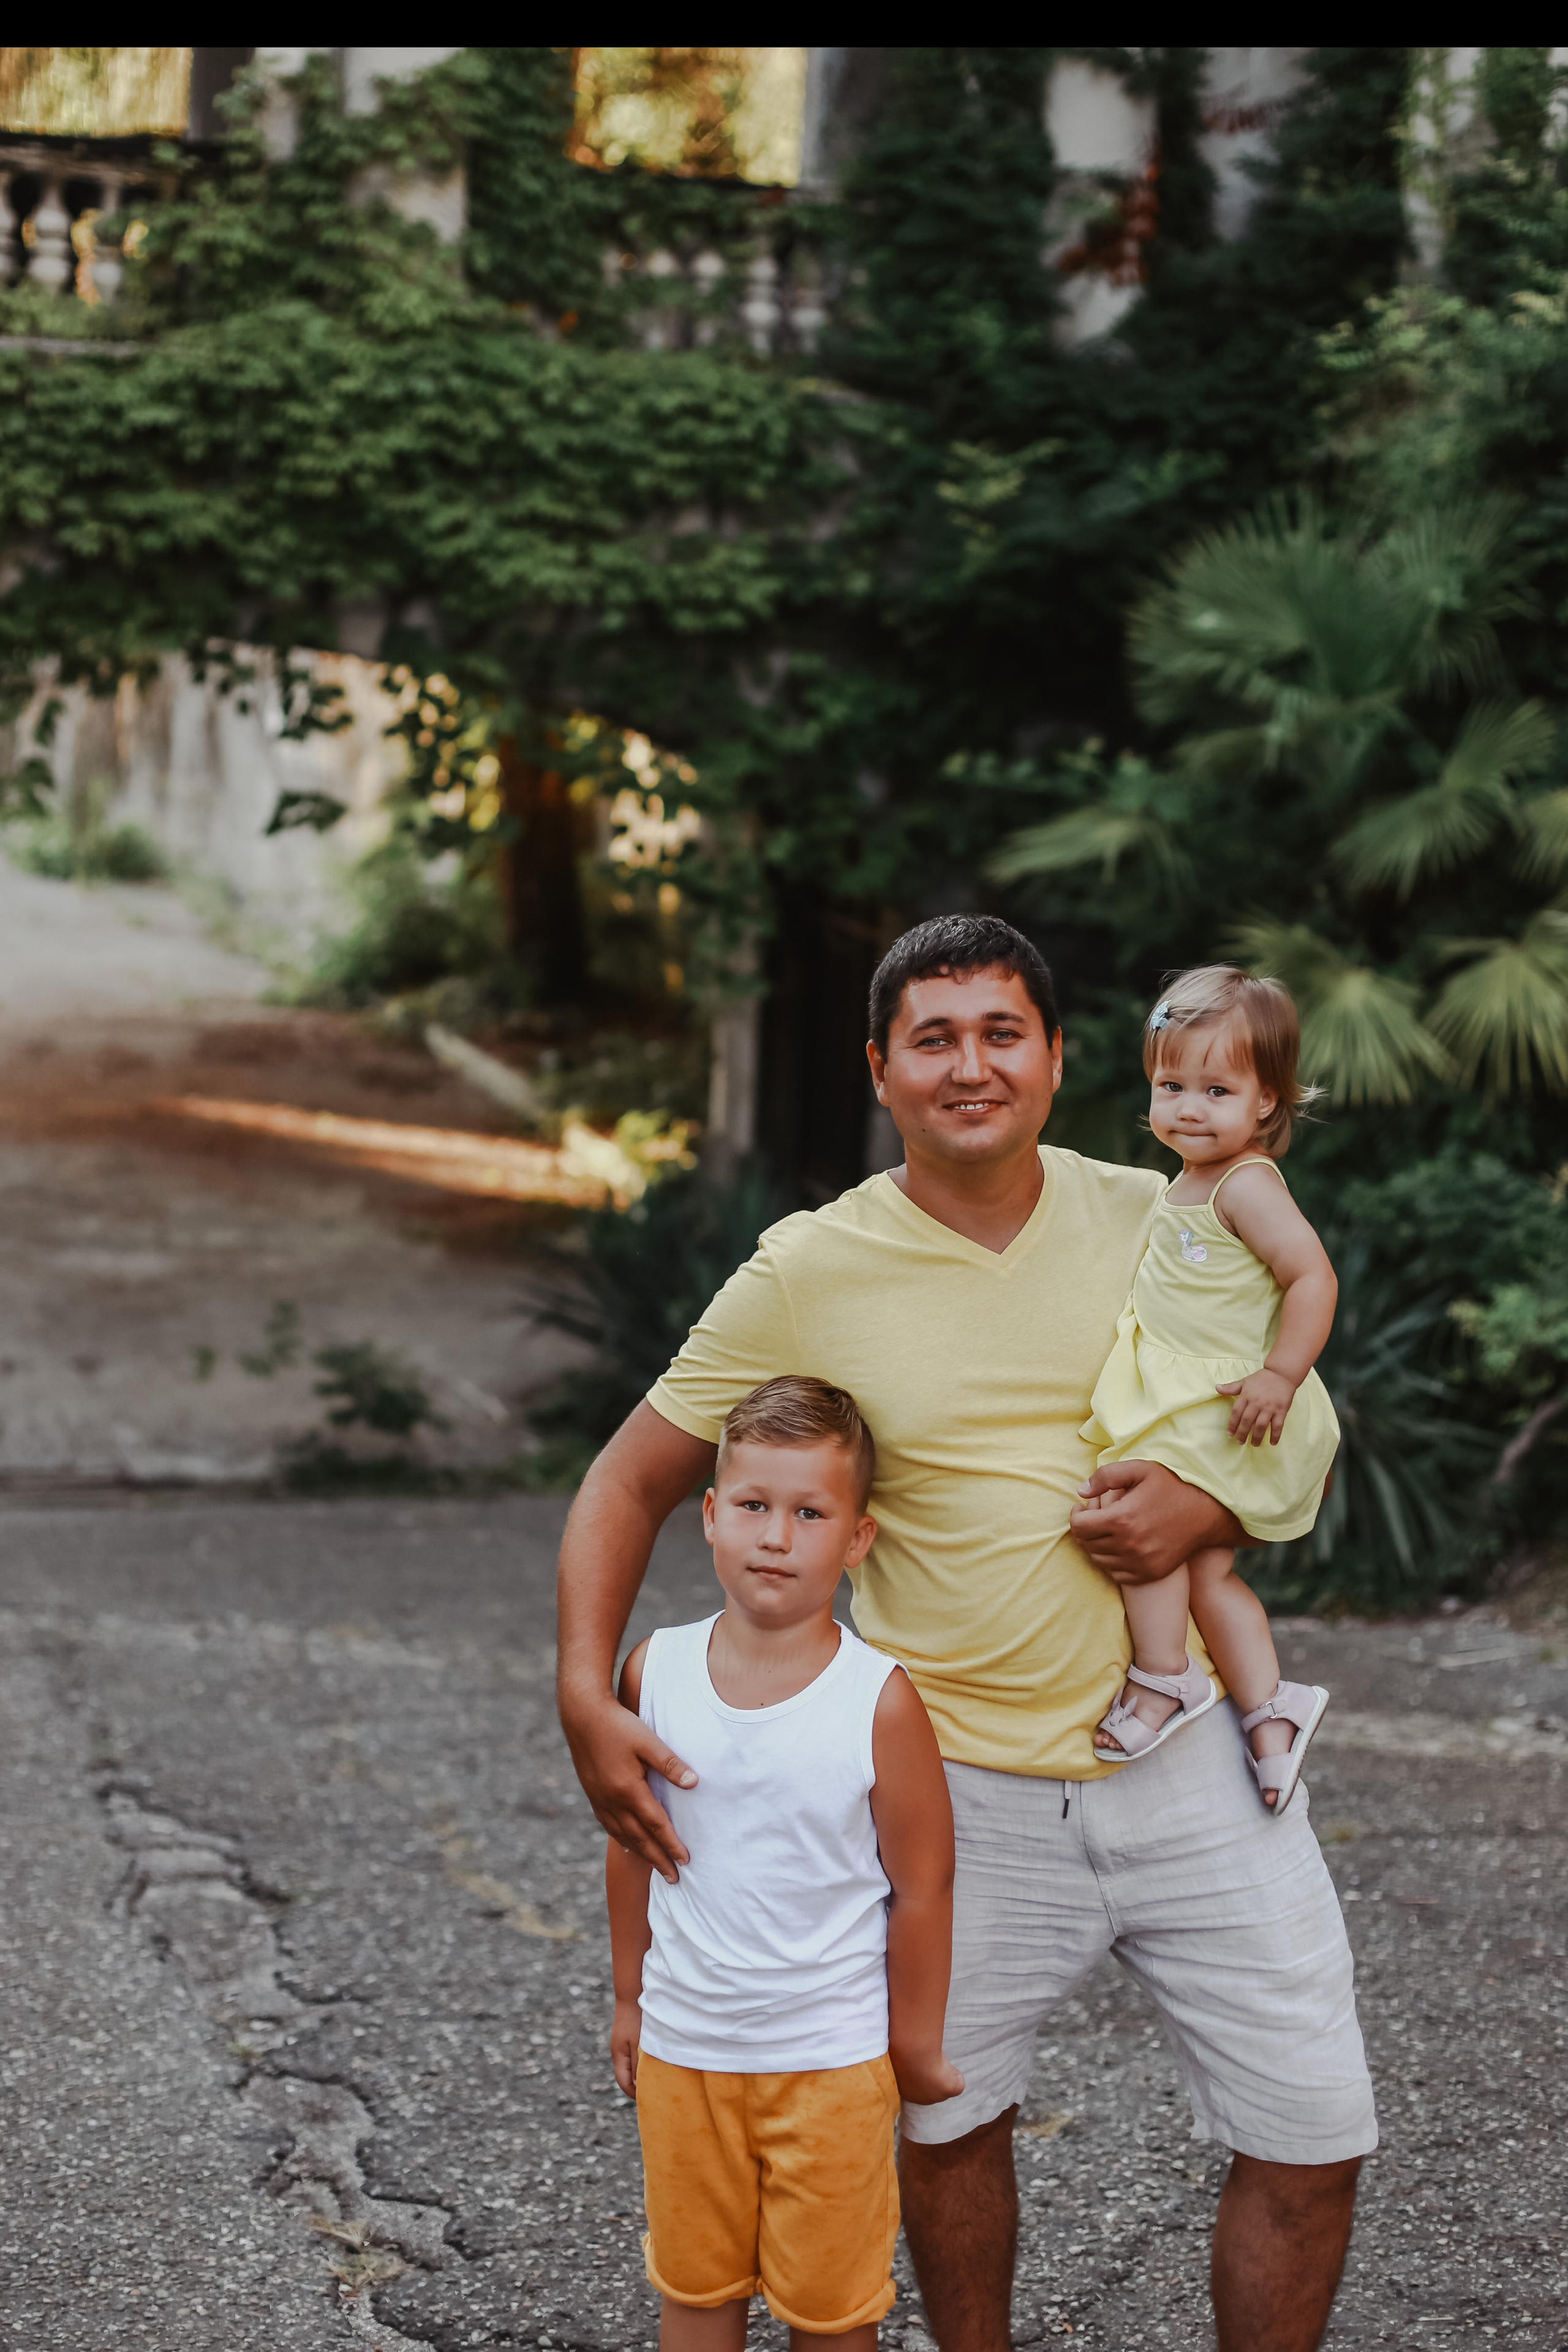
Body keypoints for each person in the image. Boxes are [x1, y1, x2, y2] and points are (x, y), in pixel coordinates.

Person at [559, 913, 1376, 2352]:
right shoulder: (810, 1267)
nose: (970, 1065)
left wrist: (1205, 1518)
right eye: (931, 1039)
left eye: (1002, 1032)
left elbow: (1288, 1415)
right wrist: (582, 1691)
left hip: (1186, 1759)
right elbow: (629, 1479)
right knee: (941, 2130)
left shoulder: (1172, 1212)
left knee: (1311, 2132)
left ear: (1058, 1059)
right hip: (953, 1793)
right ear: (881, 1071)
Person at [606, 1374, 962, 2349]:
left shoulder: (880, 1700)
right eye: (755, 1507)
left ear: (856, 1541)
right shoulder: (653, 1670)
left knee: (833, 2313)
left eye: (809, 1514)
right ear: (713, 1517)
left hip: (833, 2066)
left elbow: (923, 1885)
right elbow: (632, 1846)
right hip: (688, 2056)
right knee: (697, 2293)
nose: (776, 1536)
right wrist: (631, 1995)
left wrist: (917, 2046)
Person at [1082, 967, 1340, 1811]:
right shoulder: (1181, 1186)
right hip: (1197, 1397)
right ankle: (1271, 1710)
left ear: (1266, 1103)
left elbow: (1311, 1277)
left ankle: (1165, 1677)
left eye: (1217, 1089)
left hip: (1229, 1400)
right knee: (1208, 1575)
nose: (1189, 1106)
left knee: (1141, 1531)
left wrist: (1280, 1373)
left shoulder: (1246, 1184)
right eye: (1171, 1085)